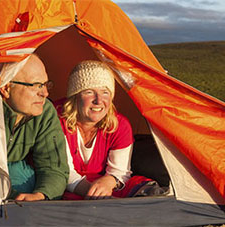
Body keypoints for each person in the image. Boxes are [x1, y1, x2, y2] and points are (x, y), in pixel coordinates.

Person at [56, 60, 163, 200]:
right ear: (75, 97)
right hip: (69, 184)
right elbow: (63, 172)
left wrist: (109, 181)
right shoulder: (57, 120)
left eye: (105, 92)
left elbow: (120, 172)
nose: (98, 101)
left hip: (102, 183)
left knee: (143, 187)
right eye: (89, 92)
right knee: (63, 195)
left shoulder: (119, 125)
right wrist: (95, 194)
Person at [0, 54, 69, 201]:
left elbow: (54, 167)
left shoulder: (44, 111)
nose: (45, 93)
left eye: (45, 84)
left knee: (23, 178)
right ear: (6, 88)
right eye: (36, 85)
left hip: (13, 171)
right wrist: (13, 197)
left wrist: (41, 195)